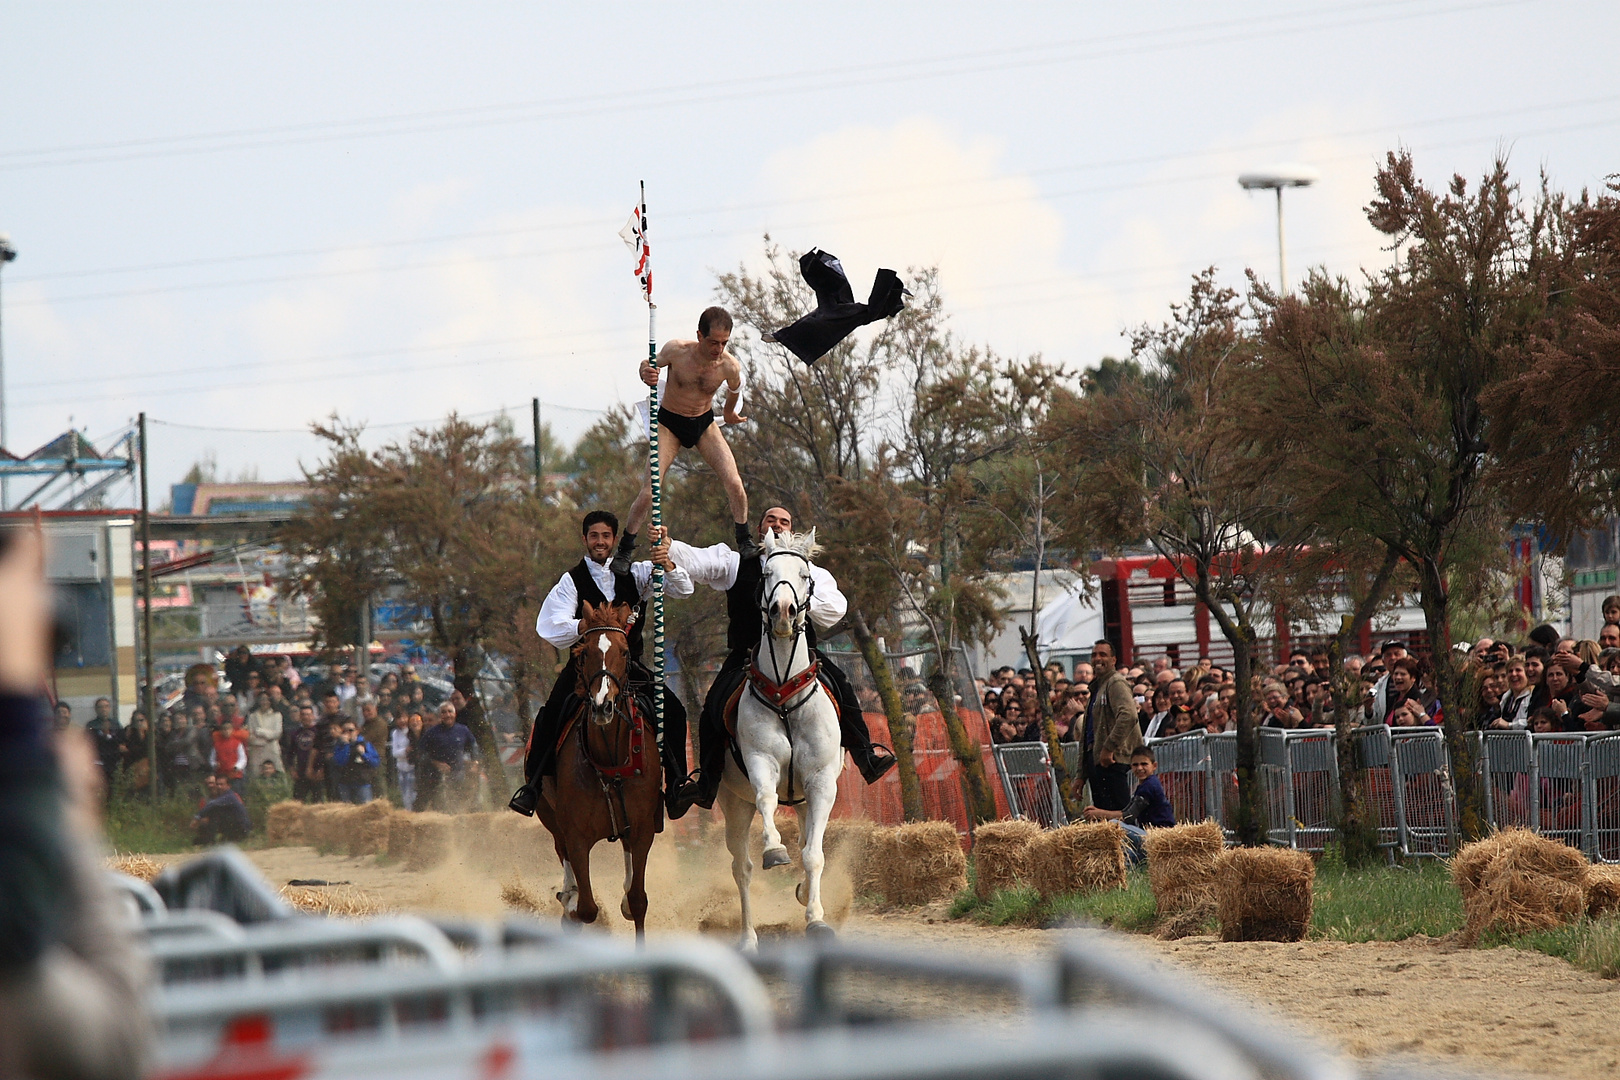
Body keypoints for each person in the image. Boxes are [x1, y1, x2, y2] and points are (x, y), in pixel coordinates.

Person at [663, 506, 897, 815]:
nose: (777, 524)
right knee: (712, 709)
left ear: (791, 530)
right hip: (746, 657)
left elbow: (835, 609)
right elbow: (697, 560)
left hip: (801, 656)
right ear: (760, 529)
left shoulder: (808, 569)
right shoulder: (736, 563)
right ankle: (706, 783)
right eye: (770, 520)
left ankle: (866, 756)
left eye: (784, 521)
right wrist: (669, 545)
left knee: (843, 688)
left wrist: (798, 596)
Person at [507, 511, 693, 817]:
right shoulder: (572, 580)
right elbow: (549, 624)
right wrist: (583, 627)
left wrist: (667, 562)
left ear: (615, 539)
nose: (600, 542)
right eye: (594, 536)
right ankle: (534, 787)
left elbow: (684, 589)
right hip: (584, 669)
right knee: (550, 714)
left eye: (606, 536)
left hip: (630, 667)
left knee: (673, 711)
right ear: (585, 539)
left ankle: (676, 787)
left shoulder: (639, 572)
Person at [615, 307, 753, 571]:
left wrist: (729, 413)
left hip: (703, 424)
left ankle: (744, 539)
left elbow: (735, 389)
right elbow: (648, 364)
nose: (718, 349)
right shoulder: (677, 351)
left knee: (734, 482)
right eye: (713, 342)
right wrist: (647, 373)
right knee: (650, 490)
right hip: (669, 423)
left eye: (724, 343)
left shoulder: (728, 365)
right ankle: (625, 549)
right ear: (700, 335)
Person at [1074, 640, 1142, 813]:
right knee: (1104, 819)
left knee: (1121, 816)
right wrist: (1081, 774)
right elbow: (1087, 733)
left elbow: (1129, 715)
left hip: (1113, 761)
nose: (1098, 658)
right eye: (1094, 655)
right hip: (1097, 761)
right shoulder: (1097, 688)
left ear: (1113, 660)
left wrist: (1109, 748)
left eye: (1103, 654)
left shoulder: (1116, 683)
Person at [1083, 745, 1175, 866]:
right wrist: (1099, 811)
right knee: (1122, 857)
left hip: (1159, 839)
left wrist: (1099, 814)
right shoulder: (1145, 785)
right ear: (1130, 767)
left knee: (1113, 824)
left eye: (1144, 764)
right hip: (1151, 839)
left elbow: (1128, 816)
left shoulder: (1150, 786)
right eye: (1135, 765)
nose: (1139, 768)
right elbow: (1126, 810)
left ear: (1154, 766)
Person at [418, 701, 476, 812]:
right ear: (440, 716)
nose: (447, 715)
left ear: (455, 714)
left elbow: (474, 747)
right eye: (444, 712)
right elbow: (421, 754)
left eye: (450, 711)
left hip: (458, 775)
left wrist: (475, 762)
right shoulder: (431, 733)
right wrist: (436, 763)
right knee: (441, 807)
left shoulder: (463, 730)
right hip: (437, 777)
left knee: (461, 806)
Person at [191, 773, 251, 844]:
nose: (219, 787)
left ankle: (209, 841)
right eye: (218, 784)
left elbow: (212, 804)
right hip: (233, 826)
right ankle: (207, 840)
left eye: (222, 784)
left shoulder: (229, 796)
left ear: (228, 786)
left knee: (215, 812)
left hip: (241, 828)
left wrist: (196, 818)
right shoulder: (222, 796)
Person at [330, 720, 379, 804]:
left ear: (357, 731)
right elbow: (340, 762)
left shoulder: (365, 743)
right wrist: (346, 745)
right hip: (345, 783)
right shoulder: (339, 745)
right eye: (345, 731)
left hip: (362, 782)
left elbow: (375, 762)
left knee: (366, 808)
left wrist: (363, 754)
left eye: (351, 730)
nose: (348, 733)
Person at [288, 704, 325, 802]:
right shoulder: (295, 733)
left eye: (308, 714)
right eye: (303, 714)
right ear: (300, 717)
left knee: (317, 802)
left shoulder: (319, 731)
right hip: (301, 771)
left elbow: (323, 751)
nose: (306, 717)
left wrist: (322, 768)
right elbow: (290, 753)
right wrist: (292, 769)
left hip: (316, 771)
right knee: (297, 801)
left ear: (313, 716)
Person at [245, 690, 283, 777]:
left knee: (277, 774)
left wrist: (260, 731)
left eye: (267, 699)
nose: (264, 702)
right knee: (256, 775)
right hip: (257, 750)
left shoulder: (277, 715)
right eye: (262, 699)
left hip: (272, 749)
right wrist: (262, 740)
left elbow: (277, 733)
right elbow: (251, 735)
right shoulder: (252, 716)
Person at [390, 709, 417, 811]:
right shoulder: (395, 733)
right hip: (401, 768)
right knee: (405, 796)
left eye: (404, 717)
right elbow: (394, 753)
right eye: (399, 718)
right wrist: (405, 751)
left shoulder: (413, 730)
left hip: (412, 767)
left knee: (413, 794)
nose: (402, 720)